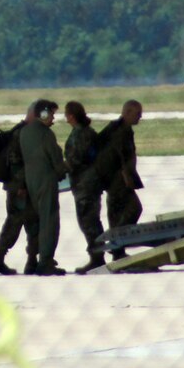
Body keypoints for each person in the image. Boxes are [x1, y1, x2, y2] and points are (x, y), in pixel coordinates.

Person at [0, 102, 40, 276]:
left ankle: (28, 261)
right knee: (19, 223)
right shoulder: (22, 134)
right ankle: (3, 260)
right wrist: (21, 187)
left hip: (19, 186)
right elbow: (17, 163)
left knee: (24, 223)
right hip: (20, 188)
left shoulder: (23, 131)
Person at [19, 99, 66, 276]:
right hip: (46, 181)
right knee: (49, 221)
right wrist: (64, 171)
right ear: (44, 114)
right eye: (52, 114)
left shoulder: (24, 132)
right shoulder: (46, 134)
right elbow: (55, 158)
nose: (53, 118)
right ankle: (46, 261)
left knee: (39, 221)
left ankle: (40, 258)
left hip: (31, 181)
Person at [94, 100, 145, 261]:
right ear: (127, 113)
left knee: (116, 213)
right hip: (118, 180)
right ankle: (117, 242)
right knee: (134, 208)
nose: (140, 117)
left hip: (115, 178)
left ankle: (118, 249)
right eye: (137, 114)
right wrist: (126, 176)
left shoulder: (120, 128)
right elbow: (119, 154)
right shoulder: (120, 131)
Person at [63, 101, 105, 274]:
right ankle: (97, 255)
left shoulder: (80, 135)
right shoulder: (86, 132)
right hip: (88, 183)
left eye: (66, 114)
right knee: (91, 220)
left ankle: (97, 258)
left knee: (88, 221)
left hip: (85, 184)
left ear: (71, 116)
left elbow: (76, 160)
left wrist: (60, 168)